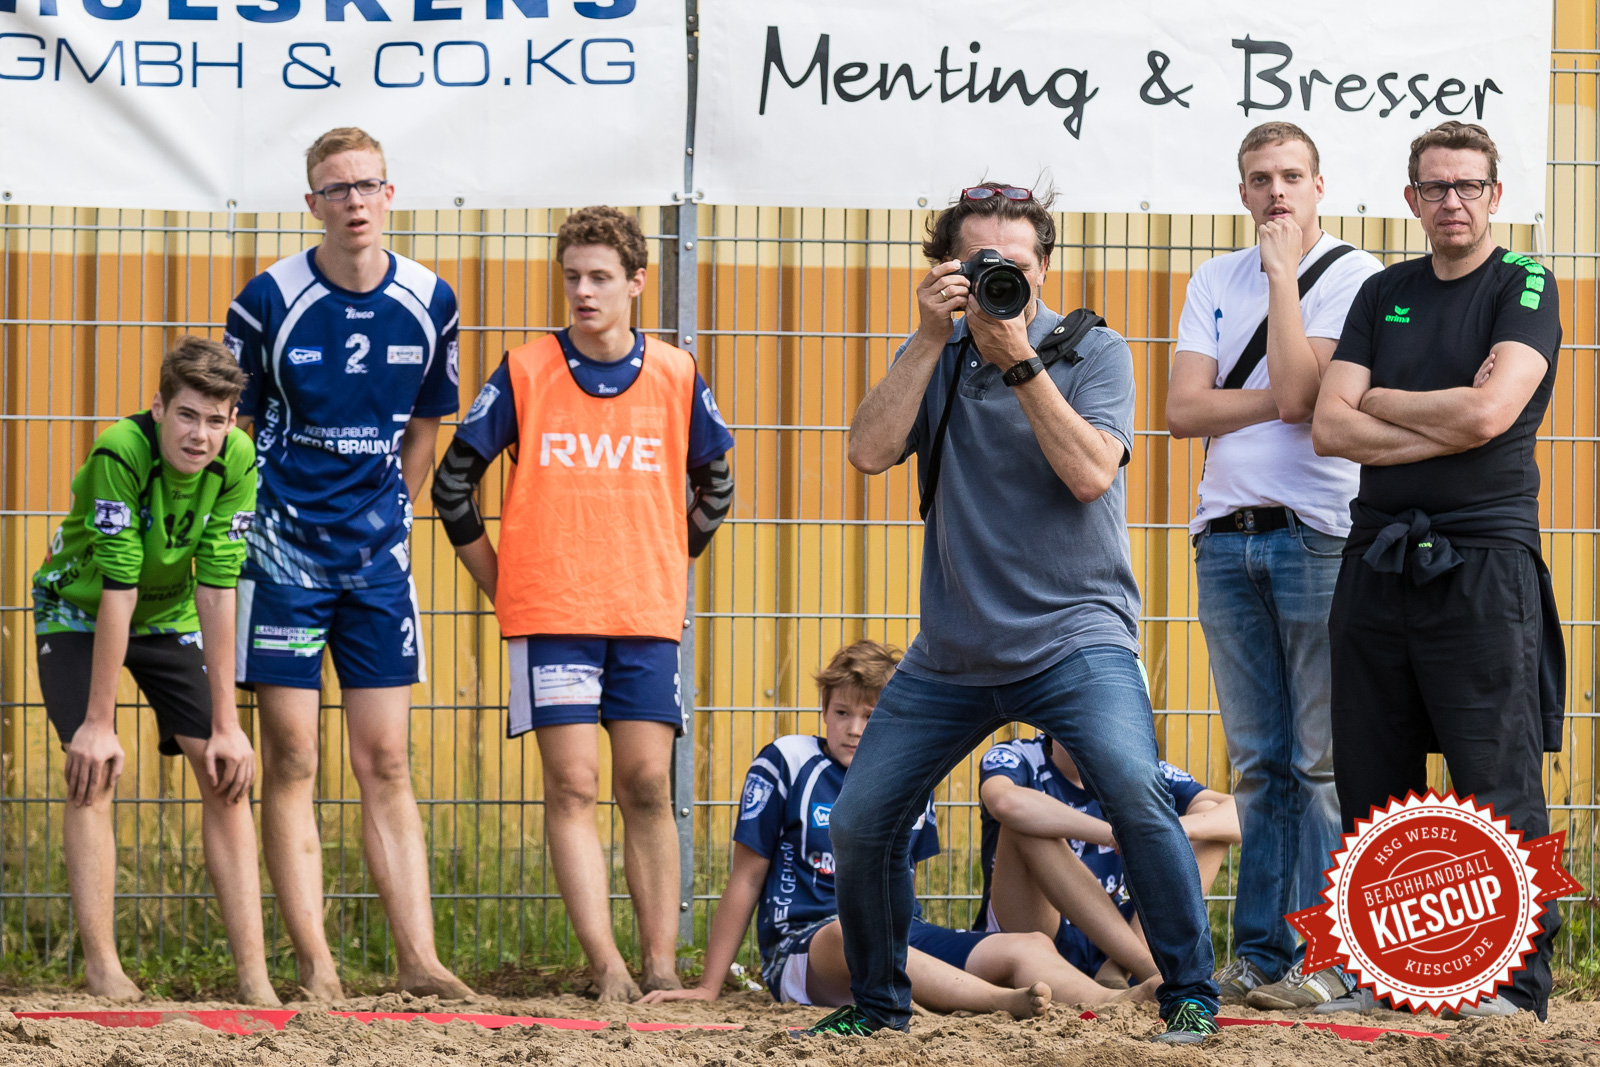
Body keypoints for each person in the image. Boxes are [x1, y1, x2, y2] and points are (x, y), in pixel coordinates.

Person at [830, 181, 1221, 1044]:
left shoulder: (1092, 349)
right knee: (861, 821)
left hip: (1076, 636)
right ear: (947, 270)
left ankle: (1190, 989)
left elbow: (1090, 474)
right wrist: (933, 336)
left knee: (1132, 787)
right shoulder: (933, 353)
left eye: (1015, 265)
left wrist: (1017, 358)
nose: (999, 278)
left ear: (1046, 269)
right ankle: (878, 1006)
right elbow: (864, 452)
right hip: (954, 649)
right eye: (979, 265)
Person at [433, 206, 735, 1002]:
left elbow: (720, 482)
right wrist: (507, 585)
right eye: (572, 277)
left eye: (601, 277)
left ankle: (662, 965)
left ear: (638, 282)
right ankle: (606, 965)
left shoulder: (675, 371)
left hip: (643, 614)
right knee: (571, 784)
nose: (583, 292)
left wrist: (671, 558)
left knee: (645, 783)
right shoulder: (528, 369)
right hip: (552, 617)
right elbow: (451, 486)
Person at [1311, 121, 1564, 1019]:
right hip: (1376, 557)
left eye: (1467, 186)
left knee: (1494, 777)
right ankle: (1395, 973)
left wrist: (1377, 397)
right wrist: (1437, 413)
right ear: (1411, 199)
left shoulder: (1524, 283)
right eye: (1434, 187)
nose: (1451, 201)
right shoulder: (1386, 291)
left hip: (1483, 560)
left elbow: (1492, 415)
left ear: (1495, 196)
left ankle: (1514, 985)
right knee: (1375, 778)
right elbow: (1328, 428)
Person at [224, 127, 471, 1001]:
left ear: (390, 194)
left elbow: (426, 425)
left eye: (368, 185)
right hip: (284, 555)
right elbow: (236, 426)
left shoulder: (430, 298)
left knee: (386, 760)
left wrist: (396, 518)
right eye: (337, 189)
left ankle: (420, 959)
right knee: (291, 755)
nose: (355, 202)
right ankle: (317, 963)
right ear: (312, 204)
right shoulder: (268, 299)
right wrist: (255, 527)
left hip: (377, 561)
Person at [640, 641, 1153, 1016]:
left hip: (898, 935)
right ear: (824, 711)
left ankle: (1113, 1000)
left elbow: (904, 882)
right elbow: (746, 879)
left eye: (869, 715)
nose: (855, 728)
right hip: (806, 944)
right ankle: (996, 1003)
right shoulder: (787, 762)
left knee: (1028, 947)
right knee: (851, 934)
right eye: (841, 713)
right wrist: (710, 986)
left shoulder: (908, 778)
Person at [1165, 122, 1381, 1009]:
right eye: (1260, 178)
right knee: (1259, 762)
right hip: (1226, 536)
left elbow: (1301, 395)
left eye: (1292, 176)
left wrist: (1285, 278)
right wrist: (1263, 401)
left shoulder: (1352, 274)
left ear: (1320, 186)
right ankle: (1260, 951)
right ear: (1242, 189)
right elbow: (1182, 409)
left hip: (1315, 532)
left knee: (1321, 762)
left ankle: (1329, 955)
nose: (1276, 193)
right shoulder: (1213, 277)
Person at [32, 337, 277, 1005]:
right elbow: (119, 583)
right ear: (159, 407)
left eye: (218, 419)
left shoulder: (238, 461)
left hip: (168, 614)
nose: (201, 435)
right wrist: (98, 724)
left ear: (235, 422)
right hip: (81, 607)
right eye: (188, 415)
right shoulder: (121, 450)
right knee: (95, 767)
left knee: (226, 772)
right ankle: (103, 968)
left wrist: (227, 724)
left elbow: (219, 586)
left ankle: (255, 977)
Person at [976, 734, 1238, 990]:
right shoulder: (1017, 756)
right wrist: (1116, 836)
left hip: (1120, 935)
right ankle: (1148, 968)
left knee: (1210, 824)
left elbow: (1241, 815)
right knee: (1024, 823)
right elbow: (1004, 802)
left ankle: (1120, 966)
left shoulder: (1142, 769)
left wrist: (1170, 830)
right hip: (1038, 929)